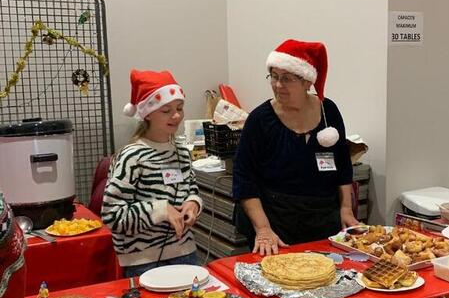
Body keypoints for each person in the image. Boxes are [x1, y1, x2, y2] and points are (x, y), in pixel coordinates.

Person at [233, 39, 359, 255]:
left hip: (322, 218)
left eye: (287, 79)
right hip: (274, 223)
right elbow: (244, 179)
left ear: (307, 82)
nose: (278, 85)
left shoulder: (328, 111)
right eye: (274, 77)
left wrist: (346, 209)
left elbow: (343, 165)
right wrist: (263, 229)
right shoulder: (260, 120)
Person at [102, 69, 202, 278]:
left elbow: (191, 188)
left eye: (180, 108)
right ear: (147, 114)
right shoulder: (132, 157)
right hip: (144, 262)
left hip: (185, 254)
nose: (176, 116)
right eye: (166, 111)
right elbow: (113, 216)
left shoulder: (182, 152)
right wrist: (161, 210)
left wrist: (193, 203)